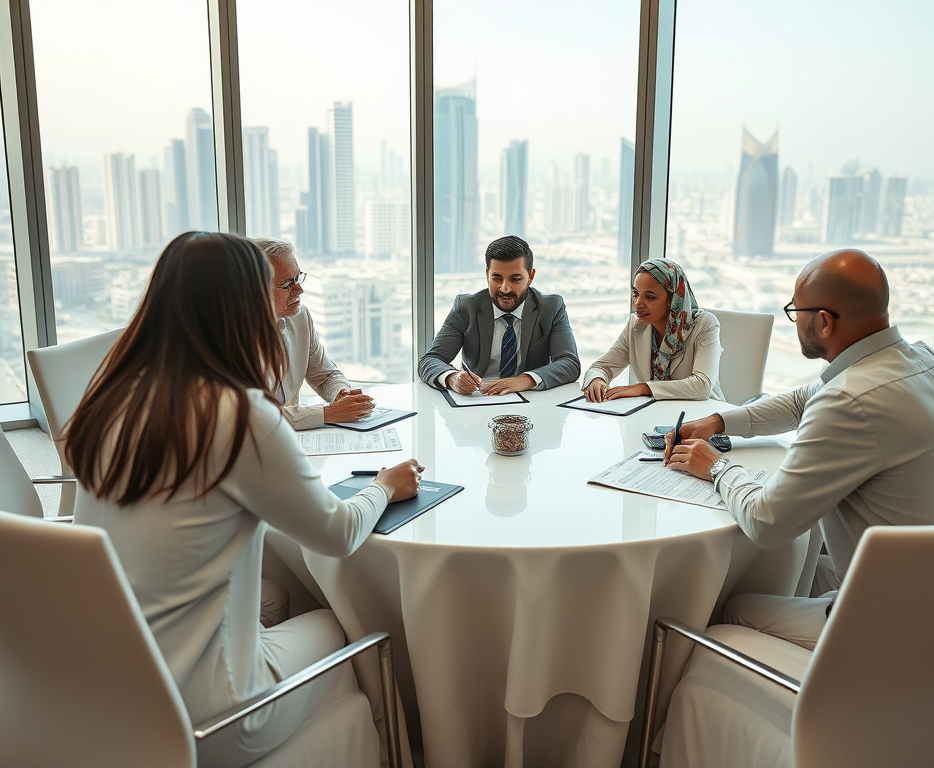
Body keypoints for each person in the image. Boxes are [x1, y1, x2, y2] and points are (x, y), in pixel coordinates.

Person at [65, 232, 423, 767]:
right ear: (241, 307)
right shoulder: (238, 416)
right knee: (335, 622)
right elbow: (339, 534)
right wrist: (385, 486)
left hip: (109, 691)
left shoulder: (111, 400)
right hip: (213, 718)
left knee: (275, 595)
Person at [665, 248, 934, 648]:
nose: (794, 321)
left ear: (823, 322)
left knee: (732, 608)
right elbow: (799, 400)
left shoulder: (849, 401)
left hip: (907, 632)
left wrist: (716, 467)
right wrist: (720, 421)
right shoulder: (928, 361)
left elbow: (767, 523)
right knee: (808, 571)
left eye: (796, 311)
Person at [418, 235, 581, 395]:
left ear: (530, 276)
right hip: (477, 402)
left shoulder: (551, 307)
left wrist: (524, 380)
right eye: (497, 278)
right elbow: (429, 360)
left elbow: (570, 364)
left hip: (530, 399)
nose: (505, 289)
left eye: (515, 279)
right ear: (487, 274)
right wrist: (453, 378)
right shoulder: (466, 307)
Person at [253, 237, 374, 430]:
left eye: (299, 278)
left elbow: (325, 375)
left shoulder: (300, 317)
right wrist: (329, 414)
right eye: (287, 284)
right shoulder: (232, 337)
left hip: (295, 440)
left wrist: (341, 394)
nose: (299, 290)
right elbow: (253, 416)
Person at [582, 258, 724, 402]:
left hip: (704, 415)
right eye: (636, 294)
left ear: (672, 299)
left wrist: (643, 388)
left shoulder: (704, 324)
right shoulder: (634, 326)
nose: (638, 303)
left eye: (650, 297)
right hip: (655, 413)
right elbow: (602, 366)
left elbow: (702, 386)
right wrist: (597, 380)